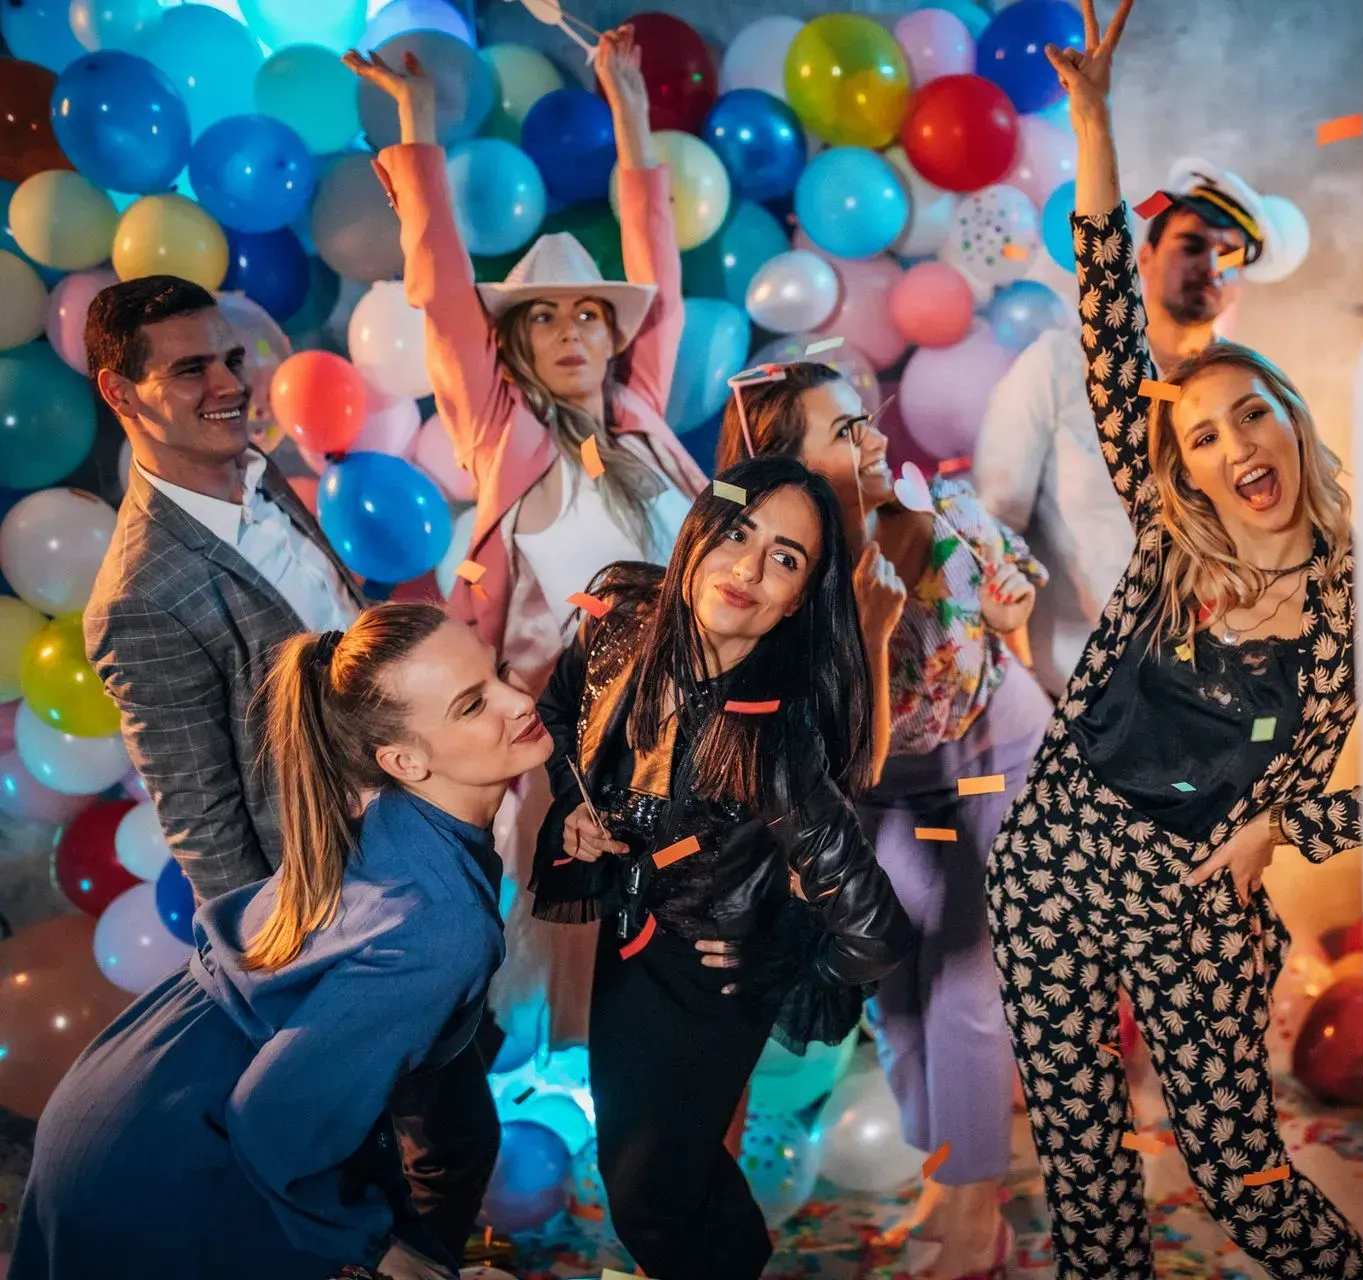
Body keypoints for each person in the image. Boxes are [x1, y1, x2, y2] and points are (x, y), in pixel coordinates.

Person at [983, 3, 1363, 1277]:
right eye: (1202, 438)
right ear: (1186, 471)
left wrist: (1287, 831)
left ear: (1292, 424)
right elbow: (1106, 316)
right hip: (1053, 862)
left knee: (1241, 1173)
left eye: (1250, 418)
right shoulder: (1169, 546)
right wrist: (1092, 121)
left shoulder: (1355, 597)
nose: (1232, 449)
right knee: (1085, 1171)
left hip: (1202, 893)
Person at [81, 275, 502, 1259]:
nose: (229, 383)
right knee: (397, 1156)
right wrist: (298, 983)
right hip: (348, 920)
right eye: (191, 369)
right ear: (119, 392)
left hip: (420, 849)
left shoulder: (259, 471)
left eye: (229, 358)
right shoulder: (140, 594)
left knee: (451, 1121)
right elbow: (205, 825)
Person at [15, 602, 553, 1280]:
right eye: (473, 705)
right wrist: (384, 1254)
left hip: (130, 1084)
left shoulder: (390, 809)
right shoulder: (440, 926)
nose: (516, 698)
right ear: (403, 761)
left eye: (500, 673)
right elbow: (274, 1122)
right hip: (171, 1155)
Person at [348, 30, 704, 1052]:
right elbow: (444, 294)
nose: (571, 331)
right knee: (566, 972)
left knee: (685, 966)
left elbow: (662, 277)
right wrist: (416, 130)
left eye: (590, 313)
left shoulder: (646, 420)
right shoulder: (503, 434)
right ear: (515, 344)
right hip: (573, 761)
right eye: (543, 317)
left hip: (692, 741)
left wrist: (628, 105)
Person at [527, 455, 914, 1280]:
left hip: (711, 977)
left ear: (801, 598)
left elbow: (876, 931)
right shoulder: (620, 620)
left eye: (784, 558)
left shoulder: (777, 738)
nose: (747, 568)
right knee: (668, 1181)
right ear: (699, 532)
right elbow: (561, 712)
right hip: (627, 947)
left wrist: (781, 951)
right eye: (736, 532)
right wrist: (579, 809)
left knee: (648, 1197)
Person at [716, 367, 1050, 1278]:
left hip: (998, 763)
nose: (871, 440)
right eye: (842, 429)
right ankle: (948, 1180)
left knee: (968, 991)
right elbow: (831, 750)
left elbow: (1019, 580)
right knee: (899, 984)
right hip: (886, 787)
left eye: (867, 421)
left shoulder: (937, 510)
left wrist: (1010, 607)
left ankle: (978, 1220)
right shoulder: (781, 585)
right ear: (781, 467)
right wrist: (863, 623)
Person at [974, 144, 1286, 700]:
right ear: (1145, 254)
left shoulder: (1251, 394)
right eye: (1192, 245)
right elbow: (994, 529)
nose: (1212, 266)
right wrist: (1019, 694)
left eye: (1231, 255)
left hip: (1200, 703)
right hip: (1069, 695)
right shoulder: (1059, 364)